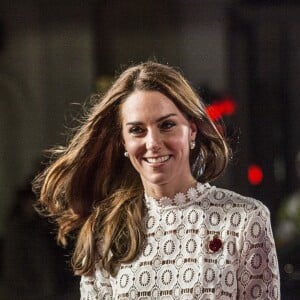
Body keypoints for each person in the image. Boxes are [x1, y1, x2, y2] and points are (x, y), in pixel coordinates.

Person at [33, 61, 280, 299]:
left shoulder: (245, 220)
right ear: (123, 142)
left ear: (191, 130)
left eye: (167, 125)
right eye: (137, 130)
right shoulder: (106, 229)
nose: (153, 143)